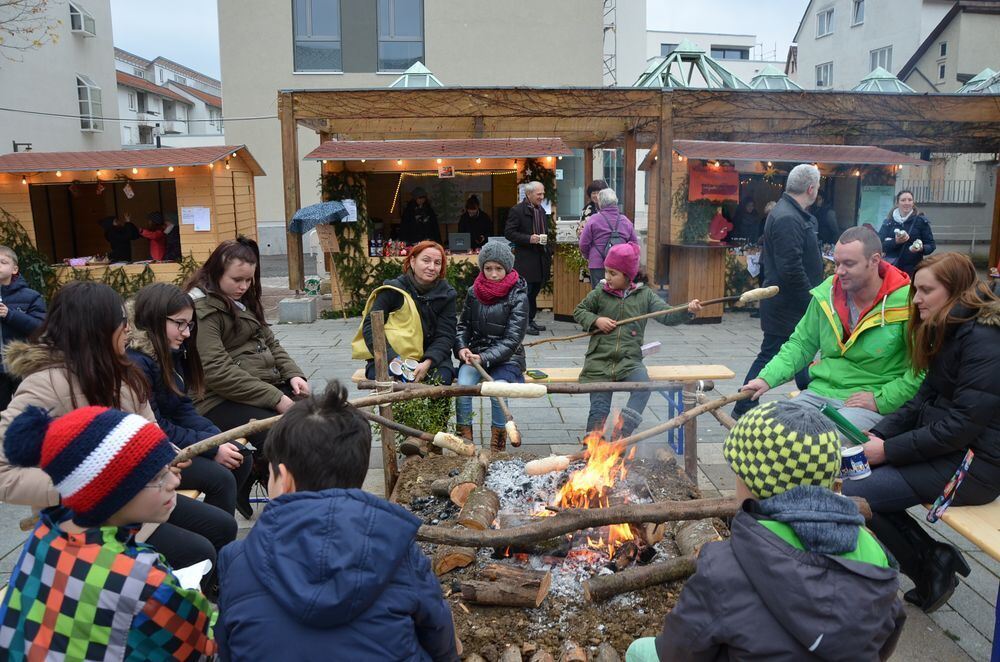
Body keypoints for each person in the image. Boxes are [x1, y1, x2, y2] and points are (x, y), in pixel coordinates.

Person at [625, 400, 905, 661]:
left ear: (749, 482)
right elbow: (889, 630)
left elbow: (678, 652)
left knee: (640, 652)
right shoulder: (875, 554)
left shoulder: (724, 566)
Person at [0, 281, 236, 583]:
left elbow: (150, 430)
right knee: (198, 551)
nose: (128, 330)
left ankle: (208, 599)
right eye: (121, 323)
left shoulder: (123, 374)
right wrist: (85, 481)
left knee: (223, 527)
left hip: (139, 499)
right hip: (89, 520)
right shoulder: (43, 386)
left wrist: (167, 458)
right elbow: (5, 473)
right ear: (96, 329)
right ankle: (170, 615)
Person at [215, 382, 459, 662]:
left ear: (284, 479)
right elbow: (439, 636)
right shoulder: (396, 549)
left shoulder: (237, 559)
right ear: (359, 473)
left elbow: (227, 647)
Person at [841, 252, 1000, 613]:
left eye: (926, 291)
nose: (915, 300)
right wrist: (876, 438)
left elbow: (961, 426)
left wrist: (889, 451)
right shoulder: (953, 329)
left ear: (955, 292)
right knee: (849, 475)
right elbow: (921, 400)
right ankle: (931, 560)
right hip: (951, 453)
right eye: (915, 290)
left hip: (977, 467)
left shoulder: (985, 342)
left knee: (851, 493)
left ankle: (928, 563)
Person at [0, 406, 216, 660]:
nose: (174, 482)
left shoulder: (47, 532)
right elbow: (202, 650)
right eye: (157, 476)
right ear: (111, 492)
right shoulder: (145, 582)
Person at [742, 226, 922, 431]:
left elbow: (921, 370)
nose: (839, 272)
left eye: (849, 264)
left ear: (875, 260)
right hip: (818, 393)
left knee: (818, 443)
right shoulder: (827, 292)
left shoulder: (908, 301)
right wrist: (767, 378)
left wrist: (882, 399)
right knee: (764, 432)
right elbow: (801, 345)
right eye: (836, 263)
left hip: (868, 400)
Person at [186, 237, 309, 516]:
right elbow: (216, 371)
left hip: (257, 386)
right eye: (236, 280)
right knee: (281, 434)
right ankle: (288, 509)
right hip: (214, 399)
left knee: (316, 419)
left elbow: (270, 341)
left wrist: (293, 374)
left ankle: (269, 480)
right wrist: (276, 397)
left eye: (248, 280)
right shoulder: (203, 310)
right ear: (216, 273)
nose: (243, 286)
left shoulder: (241, 300)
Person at [128, 282, 252, 519]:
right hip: (151, 455)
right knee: (221, 478)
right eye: (180, 324)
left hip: (170, 443)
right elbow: (157, 427)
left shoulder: (169, 349)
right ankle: (210, 532)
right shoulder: (137, 364)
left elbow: (183, 407)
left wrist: (217, 438)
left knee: (240, 456)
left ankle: (215, 522)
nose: (187, 333)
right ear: (155, 319)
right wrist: (211, 448)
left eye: (189, 324)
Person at [574, 243, 701, 438]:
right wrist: (596, 320)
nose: (607, 277)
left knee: (644, 386)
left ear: (628, 275)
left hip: (629, 360)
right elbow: (580, 311)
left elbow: (667, 315)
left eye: (613, 273)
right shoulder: (600, 293)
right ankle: (593, 441)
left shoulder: (645, 295)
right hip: (599, 360)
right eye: (606, 271)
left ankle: (621, 435)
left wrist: (687, 310)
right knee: (599, 404)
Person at [733, 164, 825, 419]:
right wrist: (813, 299)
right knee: (772, 355)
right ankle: (743, 407)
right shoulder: (787, 217)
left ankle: (812, 403)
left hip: (789, 306)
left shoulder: (794, 214)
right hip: (789, 307)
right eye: (817, 187)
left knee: (802, 357)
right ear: (811, 188)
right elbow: (790, 269)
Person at [454, 241, 528, 451]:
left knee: (498, 389)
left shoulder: (518, 295)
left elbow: (513, 339)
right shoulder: (473, 292)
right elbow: (463, 326)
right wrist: (461, 348)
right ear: (482, 268)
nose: (493, 274)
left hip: (507, 357)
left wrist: (485, 357)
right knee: (463, 388)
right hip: (475, 354)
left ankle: (498, 441)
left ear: (507, 268)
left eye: (498, 269)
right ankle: (465, 438)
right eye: (488, 268)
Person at [360, 240, 457, 384]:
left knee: (441, 380)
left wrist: (427, 363)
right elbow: (370, 327)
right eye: (426, 260)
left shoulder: (447, 295)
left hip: (431, 358)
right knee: (388, 380)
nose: (432, 267)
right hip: (392, 356)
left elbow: (446, 335)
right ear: (412, 261)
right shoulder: (393, 290)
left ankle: (433, 407)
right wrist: (394, 358)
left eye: (437, 263)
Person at [0, 245, 46, 410]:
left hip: (22, 362)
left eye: (3, 262)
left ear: (14, 269)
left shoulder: (31, 296)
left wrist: (9, 315)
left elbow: (40, 328)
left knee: (24, 409)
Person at [505, 181, 553, 335]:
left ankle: (530, 320)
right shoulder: (517, 210)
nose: (542, 197)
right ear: (529, 194)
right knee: (526, 293)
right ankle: (523, 324)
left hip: (540, 258)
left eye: (543, 193)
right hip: (526, 259)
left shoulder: (541, 211)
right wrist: (528, 238)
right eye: (539, 194)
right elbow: (509, 233)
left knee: (534, 292)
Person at [578, 188, 639, 289]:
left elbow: (583, 244)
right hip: (620, 266)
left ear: (600, 203)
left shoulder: (594, 220)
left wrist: (590, 256)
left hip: (597, 264)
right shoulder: (625, 221)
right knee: (618, 295)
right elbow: (635, 246)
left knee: (599, 296)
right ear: (615, 203)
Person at [878, 190, 936, 278]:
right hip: (891, 269)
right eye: (903, 200)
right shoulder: (888, 222)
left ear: (913, 203)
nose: (907, 203)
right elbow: (879, 245)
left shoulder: (920, 221)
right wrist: (895, 242)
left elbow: (931, 245)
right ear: (897, 203)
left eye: (910, 200)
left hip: (912, 271)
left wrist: (921, 248)